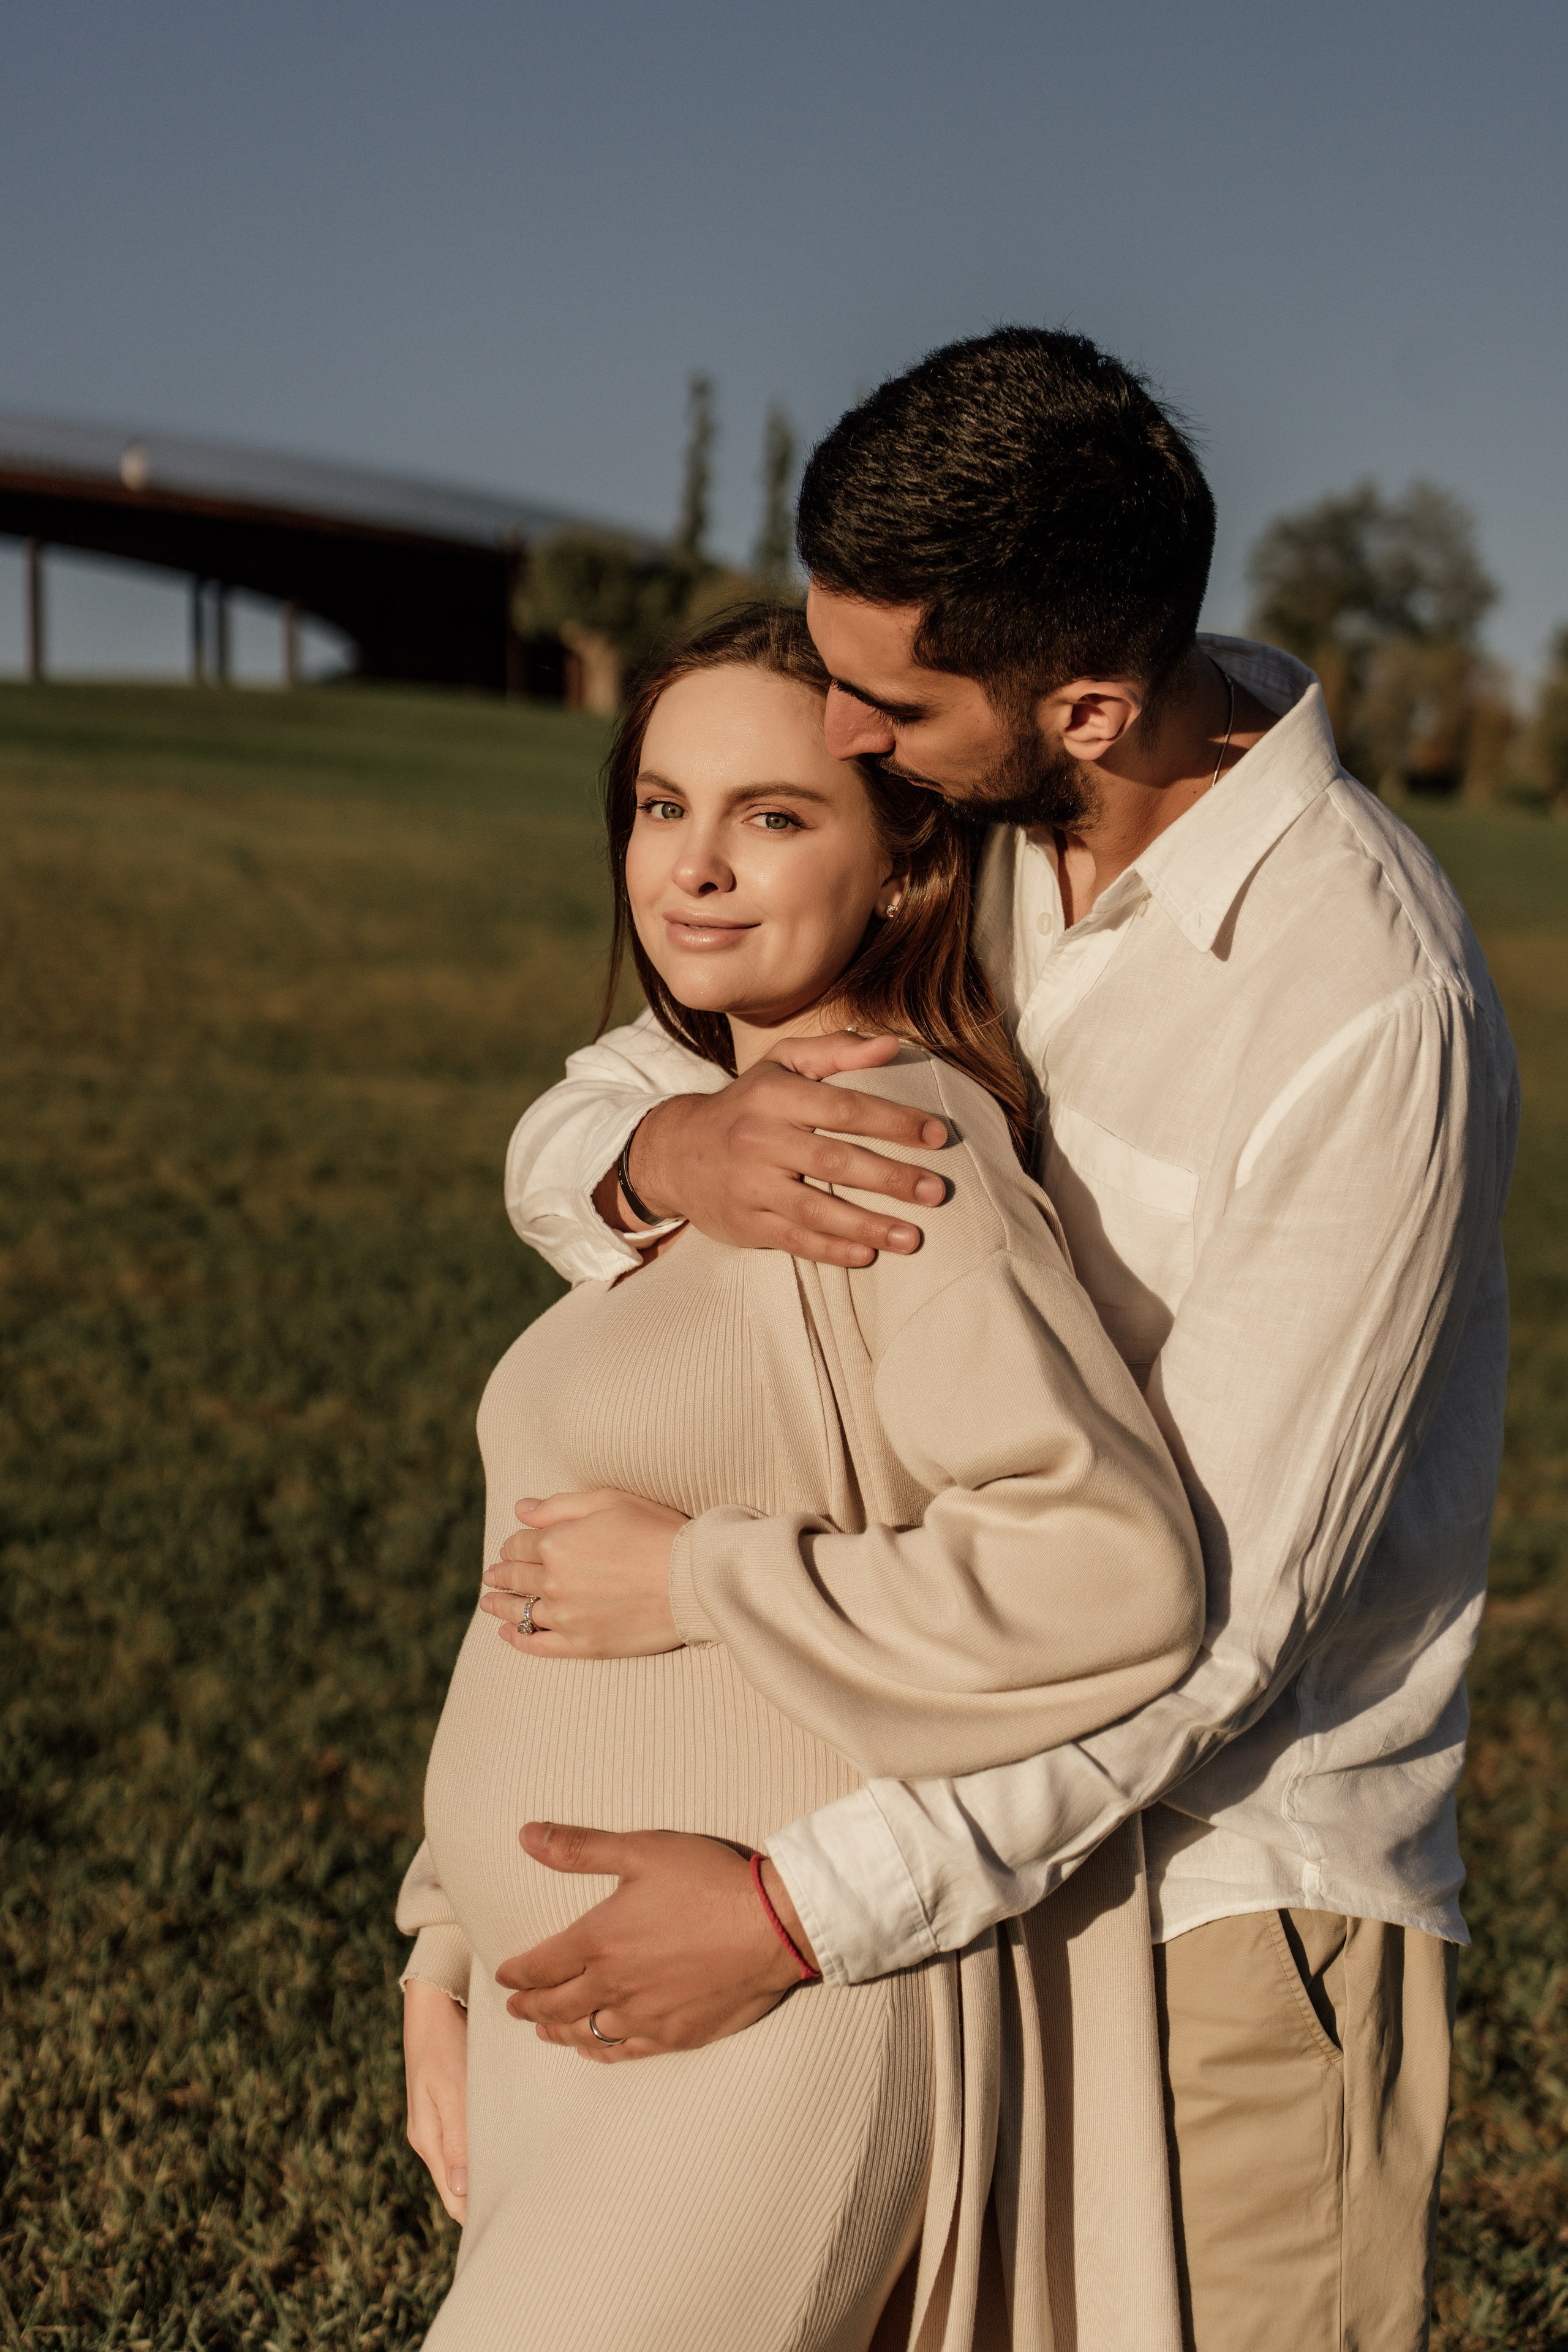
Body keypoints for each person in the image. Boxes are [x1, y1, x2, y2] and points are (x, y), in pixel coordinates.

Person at [493, 331, 1520, 2352]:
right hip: (933, 1860)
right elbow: (593, 1105)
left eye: (887, 700)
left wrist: (798, 1911)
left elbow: (1217, 1631)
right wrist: (668, 1150)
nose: (848, 739)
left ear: (1089, 703)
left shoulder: (1362, 1005)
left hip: (1225, 1905)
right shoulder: (985, 844)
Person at [398, 601, 1205, 2352]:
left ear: (906, 862)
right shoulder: (711, 1139)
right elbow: (521, 1593)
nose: (691, 867)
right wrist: (443, 1950)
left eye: (771, 816)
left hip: (763, 2035)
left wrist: (708, 1575)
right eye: (660, 806)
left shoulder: (891, 1151)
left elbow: (1116, 1570)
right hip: (584, 2027)